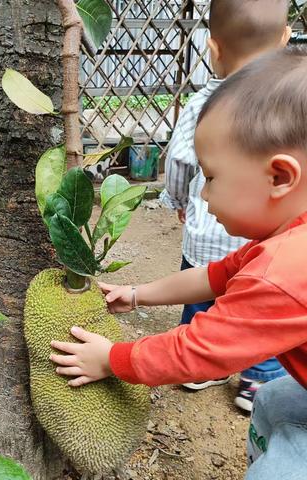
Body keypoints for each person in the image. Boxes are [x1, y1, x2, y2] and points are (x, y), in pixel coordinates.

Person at [50, 46, 307, 479]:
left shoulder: (283, 271)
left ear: (279, 177)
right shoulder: (284, 239)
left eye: (211, 176)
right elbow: (216, 276)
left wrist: (111, 358)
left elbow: (197, 351)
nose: (203, 195)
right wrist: (137, 296)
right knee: (271, 400)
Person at [159, 0, 291, 411]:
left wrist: (179, 200)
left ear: (213, 49)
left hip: (206, 236)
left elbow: (180, 161)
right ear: (285, 39)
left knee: (205, 310)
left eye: (210, 178)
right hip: (252, 247)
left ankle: (205, 367)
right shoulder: (294, 103)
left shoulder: (203, 103)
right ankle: (260, 377)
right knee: (261, 322)